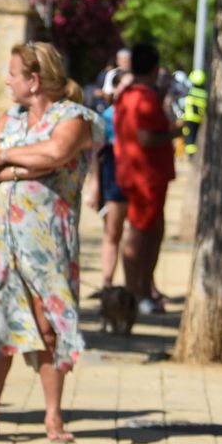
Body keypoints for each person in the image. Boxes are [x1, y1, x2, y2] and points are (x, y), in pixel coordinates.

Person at [0, 42, 103, 442]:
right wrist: (10, 163)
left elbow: (55, 153)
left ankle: (53, 417)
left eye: (13, 73)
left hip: (47, 241)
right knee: (2, 323)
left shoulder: (73, 117)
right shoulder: (9, 118)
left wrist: (4, 161)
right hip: (1, 240)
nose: (7, 80)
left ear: (34, 80)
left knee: (48, 321)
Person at [113, 43, 176, 315]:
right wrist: (177, 133)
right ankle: (135, 293)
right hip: (145, 175)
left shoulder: (127, 94)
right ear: (154, 68)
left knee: (149, 231)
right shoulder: (144, 97)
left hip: (135, 171)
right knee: (140, 233)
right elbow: (147, 137)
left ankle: (143, 287)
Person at [84, 70, 129, 292]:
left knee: (138, 235)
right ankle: (107, 285)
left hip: (137, 180)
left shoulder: (141, 113)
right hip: (114, 178)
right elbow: (96, 154)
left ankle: (142, 286)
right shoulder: (108, 118)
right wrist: (95, 186)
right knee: (113, 232)